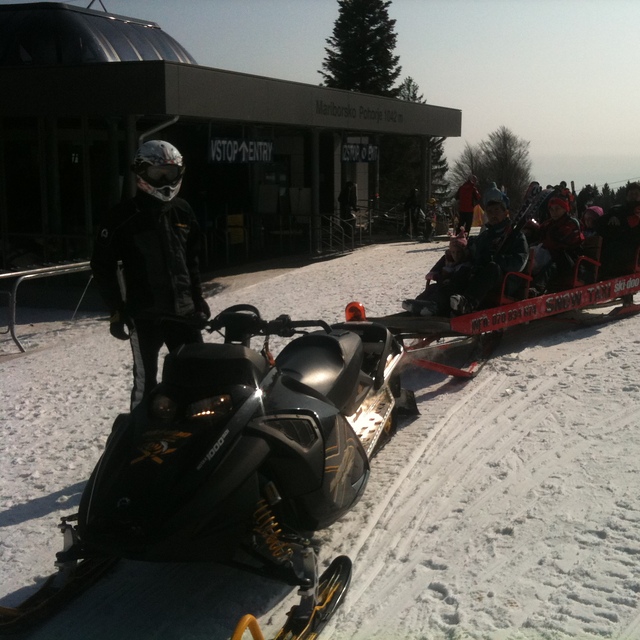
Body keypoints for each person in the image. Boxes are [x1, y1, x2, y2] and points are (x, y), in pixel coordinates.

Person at [90, 139, 210, 411]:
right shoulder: (121, 217)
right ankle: (137, 437)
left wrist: (197, 298)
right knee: (146, 384)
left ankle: (194, 438)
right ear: (141, 174)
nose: (166, 181)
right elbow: (102, 266)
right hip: (144, 316)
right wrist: (116, 311)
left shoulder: (183, 210)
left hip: (183, 314)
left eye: (171, 173)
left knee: (198, 378)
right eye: (158, 174)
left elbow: (191, 261)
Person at [449, 188, 529, 315]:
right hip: (482, 278)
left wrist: (496, 259)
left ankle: (469, 303)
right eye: (490, 212)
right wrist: (461, 251)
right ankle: (438, 303)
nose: (493, 215)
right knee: (463, 270)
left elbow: (519, 262)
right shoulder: (485, 236)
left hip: (506, 282)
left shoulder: (516, 236)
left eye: (497, 210)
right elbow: (474, 254)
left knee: (492, 268)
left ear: (505, 213)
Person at [402, 231, 472, 316]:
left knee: (442, 292)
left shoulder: (465, 265)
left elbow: (458, 280)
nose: (456, 255)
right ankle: (418, 303)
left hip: (455, 290)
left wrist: (441, 277)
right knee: (431, 288)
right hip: (443, 284)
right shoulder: (447, 260)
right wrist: (434, 273)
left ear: (463, 252)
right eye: (453, 252)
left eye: (458, 252)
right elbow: (437, 267)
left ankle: (433, 306)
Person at [527, 195, 584, 296]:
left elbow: (560, 238)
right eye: (551, 210)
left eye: (557, 209)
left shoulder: (572, 222)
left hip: (570, 260)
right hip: (552, 256)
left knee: (555, 259)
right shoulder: (549, 223)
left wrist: (544, 237)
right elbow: (539, 235)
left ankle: (537, 287)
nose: (554, 212)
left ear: (565, 209)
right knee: (530, 256)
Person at [597, 181, 640, 278]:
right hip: (617, 244)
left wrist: (620, 222)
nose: (633, 196)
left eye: (636, 194)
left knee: (614, 250)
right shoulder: (619, 209)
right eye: (631, 194)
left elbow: (630, 228)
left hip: (632, 248)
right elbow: (600, 222)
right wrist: (612, 217)